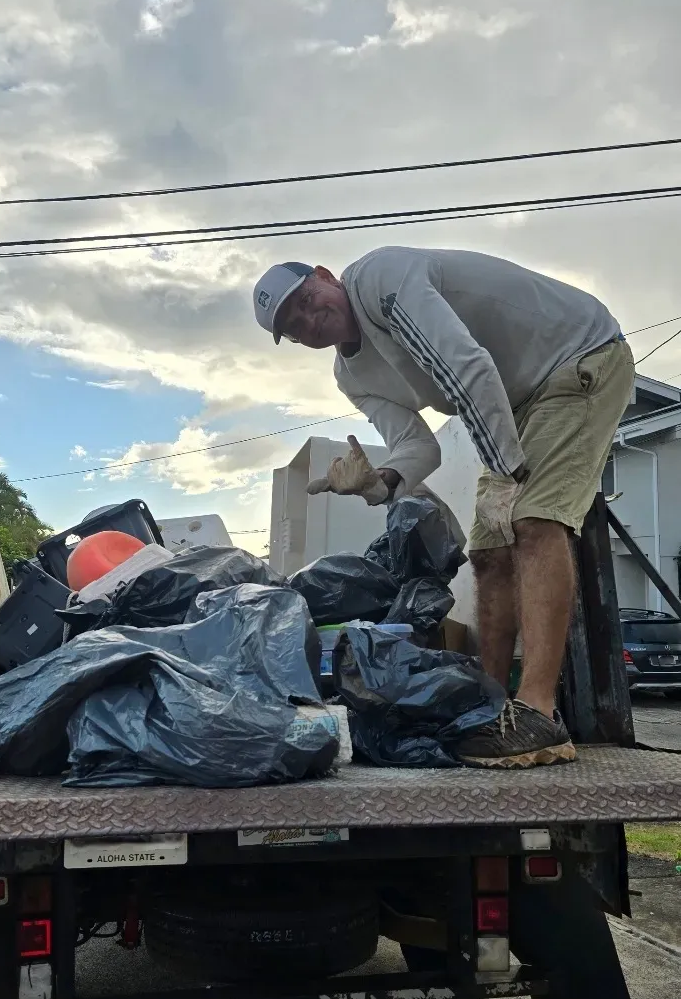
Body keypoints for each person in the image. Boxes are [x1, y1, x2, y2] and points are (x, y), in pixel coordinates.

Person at [253, 247, 635, 768]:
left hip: (577, 357)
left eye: (305, 300)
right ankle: (493, 706)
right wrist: (376, 483)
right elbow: (416, 447)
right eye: (293, 326)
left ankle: (538, 712)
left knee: (533, 522)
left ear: (325, 275)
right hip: (517, 403)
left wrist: (506, 471)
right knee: (488, 553)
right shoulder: (351, 377)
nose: (308, 319)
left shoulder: (379, 279)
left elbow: (466, 369)